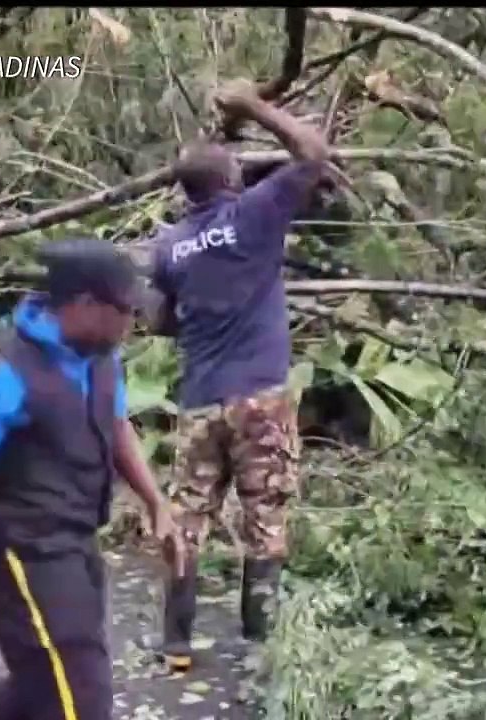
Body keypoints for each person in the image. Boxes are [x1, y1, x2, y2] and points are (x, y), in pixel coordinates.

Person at [0, 238, 184, 720]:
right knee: (81, 698)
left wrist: (156, 503)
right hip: (18, 551)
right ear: (87, 305)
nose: (134, 325)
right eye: (127, 312)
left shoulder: (100, 356)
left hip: (75, 543)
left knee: (48, 681)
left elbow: (116, 424)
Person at [145, 78, 330, 671]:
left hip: (200, 399)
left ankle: (176, 644)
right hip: (261, 398)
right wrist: (253, 106)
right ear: (232, 181)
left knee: (189, 520)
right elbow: (314, 153)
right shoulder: (256, 213)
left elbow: (161, 324)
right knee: (265, 517)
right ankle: (260, 643)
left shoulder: (169, 247)